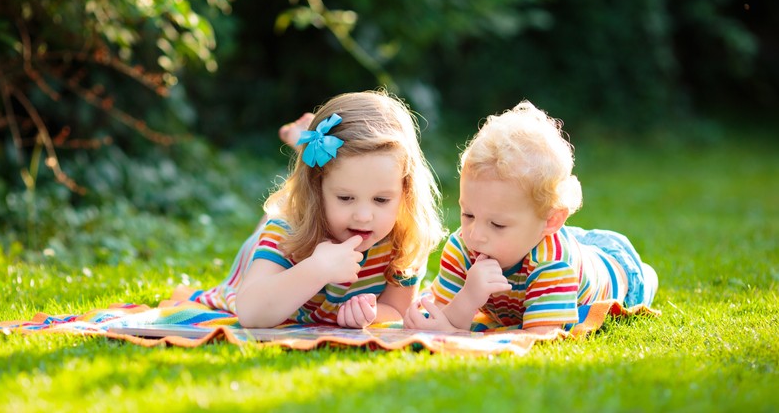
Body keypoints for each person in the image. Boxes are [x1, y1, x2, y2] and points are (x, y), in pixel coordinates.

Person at [188, 90, 445, 328]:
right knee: (277, 216)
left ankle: (306, 148)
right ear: (317, 190)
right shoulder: (286, 231)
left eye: (381, 200)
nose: (364, 216)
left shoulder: (404, 238)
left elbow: (397, 309)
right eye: (346, 198)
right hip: (297, 233)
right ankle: (305, 148)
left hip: (319, 202)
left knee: (326, 182)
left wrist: (371, 313)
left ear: (405, 191)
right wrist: (317, 268)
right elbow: (251, 312)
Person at [403, 100, 658, 333]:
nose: (475, 234)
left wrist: (455, 334)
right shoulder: (462, 248)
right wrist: (468, 297)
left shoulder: (553, 264)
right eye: (468, 214)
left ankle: (646, 276)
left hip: (614, 269)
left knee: (641, 281)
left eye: (498, 224)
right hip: (557, 241)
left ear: (550, 222)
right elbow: (440, 318)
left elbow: (539, 337)